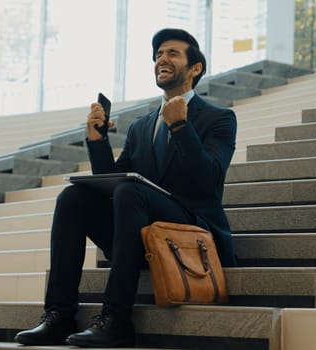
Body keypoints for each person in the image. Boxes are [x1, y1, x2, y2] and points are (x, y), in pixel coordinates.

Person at [14, 28, 237, 348]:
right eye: (159, 54)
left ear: (195, 68)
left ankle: (116, 319)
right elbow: (111, 183)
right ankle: (59, 314)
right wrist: (98, 140)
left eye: (173, 53)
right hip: (141, 231)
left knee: (130, 192)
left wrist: (181, 126)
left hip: (191, 231)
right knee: (75, 197)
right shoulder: (141, 126)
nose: (162, 58)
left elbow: (209, 180)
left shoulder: (219, 119)